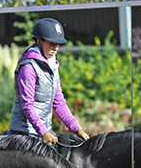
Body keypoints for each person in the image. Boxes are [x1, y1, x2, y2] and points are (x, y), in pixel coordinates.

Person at [8, 18, 89, 147]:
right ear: (39, 41)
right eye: (52, 43)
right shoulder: (28, 68)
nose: (56, 48)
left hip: (43, 132)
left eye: (58, 44)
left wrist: (77, 129)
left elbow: (59, 103)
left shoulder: (53, 67)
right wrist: (44, 132)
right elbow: (27, 105)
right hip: (24, 134)